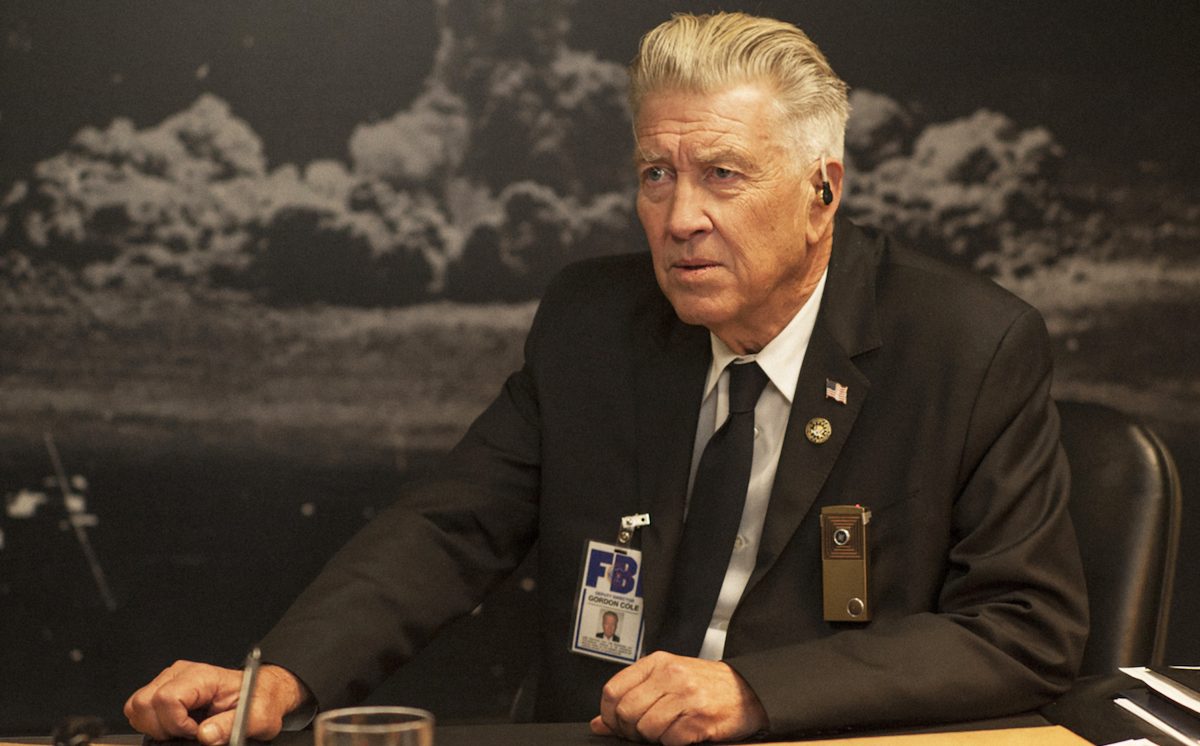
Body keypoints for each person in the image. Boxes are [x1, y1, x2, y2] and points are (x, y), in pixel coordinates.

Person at [125, 11, 1088, 746]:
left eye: (722, 175)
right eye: (655, 176)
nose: (678, 219)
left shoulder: (967, 345)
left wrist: (758, 693)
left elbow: (1024, 628)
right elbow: (447, 528)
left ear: (822, 190)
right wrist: (283, 679)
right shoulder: (594, 325)